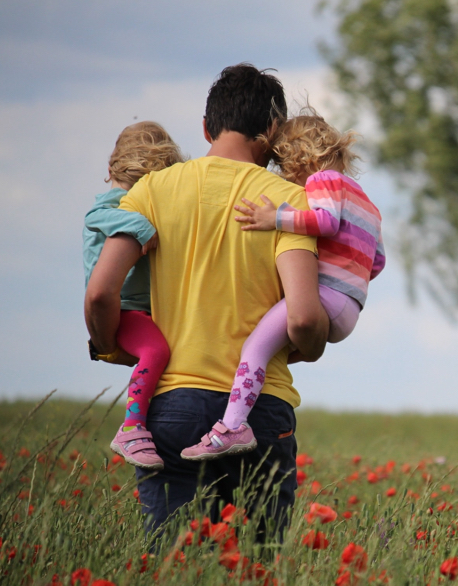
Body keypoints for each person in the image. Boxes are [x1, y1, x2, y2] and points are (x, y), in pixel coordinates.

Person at [84, 63, 329, 535]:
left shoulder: (150, 191)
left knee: (173, 565)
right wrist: (312, 345)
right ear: (273, 131)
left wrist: (112, 344)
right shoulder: (288, 202)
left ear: (205, 127)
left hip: (171, 405)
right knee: (256, 565)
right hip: (260, 410)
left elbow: (99, 292)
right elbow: (301, 318)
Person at [181, 109, 385, 460]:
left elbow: (325, 222)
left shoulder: (324, 181)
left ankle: (232, 426)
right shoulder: (367, 202)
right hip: (350, 306)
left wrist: (274, 218)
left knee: (254, 348)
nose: (284, 175)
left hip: (325, 297)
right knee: (272, 351)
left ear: (300, 157)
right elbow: (377, 261)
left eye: (284, 164)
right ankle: (243, 410)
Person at [83, 121, 184, 470]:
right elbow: (97, 216)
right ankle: (132, 427)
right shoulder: (114, 204)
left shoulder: (131, 200)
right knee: (156, 350)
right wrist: (141, 226)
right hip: (124, 309)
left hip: (142, 309)